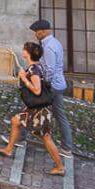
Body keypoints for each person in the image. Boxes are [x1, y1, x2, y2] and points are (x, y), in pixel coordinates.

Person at [0, 40, 64, 175]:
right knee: (16, 121)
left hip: (40, 111)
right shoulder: (35, 67)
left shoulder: (34, 69)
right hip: (33, 109)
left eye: (24, 49)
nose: (23, 51)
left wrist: (24, 78)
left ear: (28, 54)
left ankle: (60, 167)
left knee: (46, 137)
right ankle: (9, 149)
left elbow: (37, 90)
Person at [29, 18, 73, 155]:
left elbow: (50, 70)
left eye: (36, 32)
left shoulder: (48, 47)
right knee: (59, 115)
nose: (35, 34)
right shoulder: (55, 42)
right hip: (58, 85)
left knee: (29, 108)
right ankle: (67, 147)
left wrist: (42, 84)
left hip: (51, 86)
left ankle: (19, 138)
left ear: (42, 32)